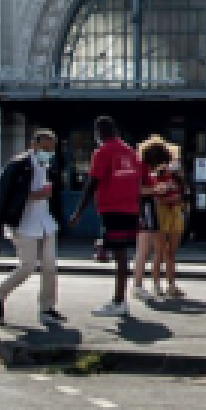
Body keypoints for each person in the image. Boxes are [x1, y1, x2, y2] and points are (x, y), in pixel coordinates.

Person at [0, 129, 64, 326]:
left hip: (45, 221)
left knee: (50, 266)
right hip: (24, 223)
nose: (48, 151)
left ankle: (47, 308)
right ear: (34, 145)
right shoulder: (18, 165)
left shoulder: (49, 165)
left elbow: (53, 194)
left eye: (51, 148)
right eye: (45, 147)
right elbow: (3, 194)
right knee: (27, 265)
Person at [68, 116, 142, 318]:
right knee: (122, 255)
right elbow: (140, 181)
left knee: (119, 256)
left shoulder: (102, 152)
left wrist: (78, 212)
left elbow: (92, 183)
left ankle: (119, 302)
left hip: (113, 208)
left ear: (98, 132)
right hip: (130, 209)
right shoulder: (130, 151)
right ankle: (120, 300)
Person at [138, 136, 188, 300]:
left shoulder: (175, 174)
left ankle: (172, 286)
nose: (172, 162)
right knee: (159, 251)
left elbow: (182, 192)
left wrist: (179, 192)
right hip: (160, 211)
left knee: (171, 252)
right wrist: (167, 197)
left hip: (174, 212)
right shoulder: (154, 173)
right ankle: (157, 285)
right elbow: (153, 194)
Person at [132, 136, 164, 303]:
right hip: (144, 206)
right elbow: (137, 190)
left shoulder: (142, 165)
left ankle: (139, 284)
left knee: (147, 247)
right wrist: (156, 188)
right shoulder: (141, 166)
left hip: (148, 205)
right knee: (143, 248)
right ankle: (137, 285)